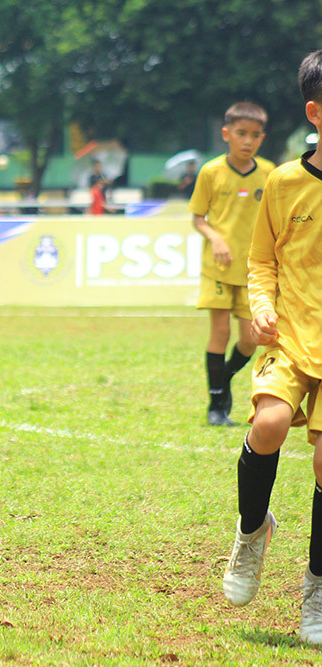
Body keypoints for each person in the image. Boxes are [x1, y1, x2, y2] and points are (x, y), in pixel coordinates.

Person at [221, 50, 322, 645]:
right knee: (269, 424)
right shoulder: (283, 182)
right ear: (315, 112)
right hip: (290, 335)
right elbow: (262, 260)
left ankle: (316, 585)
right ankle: (252, 532)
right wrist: (260, 306)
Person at [189, 102, 274, 426]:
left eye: (254, 135)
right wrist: (216, 238)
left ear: (262, 138)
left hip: (254, 270)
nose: (247, 141)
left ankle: (221, 383)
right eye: (241, 133)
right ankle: (216, 406)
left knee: (251, 339)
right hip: (219, 266)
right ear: (226, 134)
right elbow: (198, 218)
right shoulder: (211, 171)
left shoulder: (269, 173)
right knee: (220, 331)